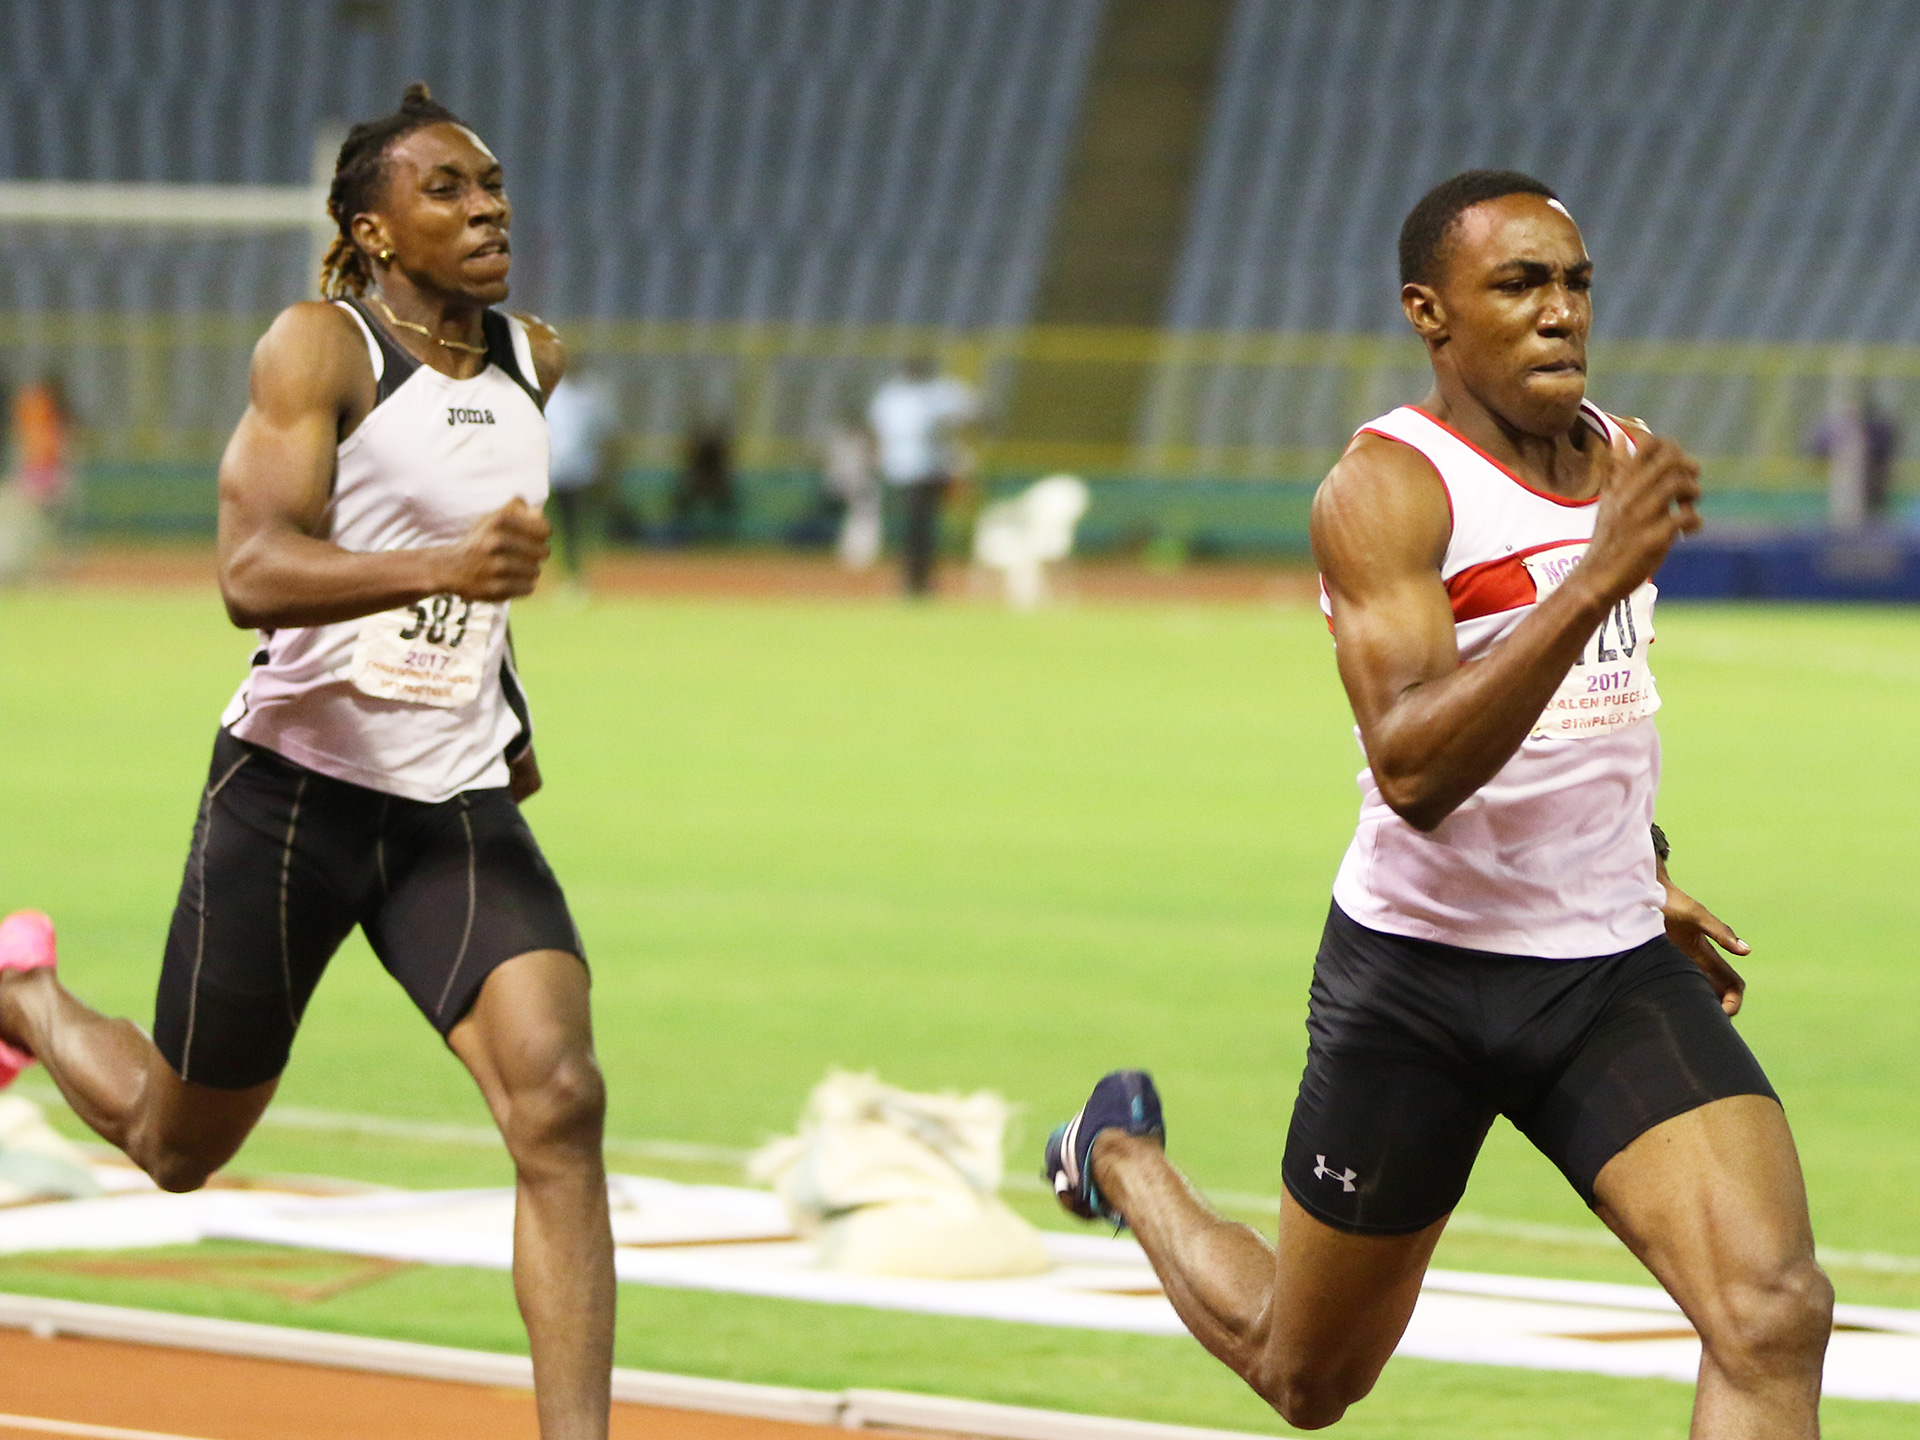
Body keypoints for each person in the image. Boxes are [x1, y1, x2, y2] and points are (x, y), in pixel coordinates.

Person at [1044, 172, 1831, 1435]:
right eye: (1519, 284)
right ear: (1430, 311)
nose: (1560, 311)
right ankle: (1119, 1159)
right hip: (1419, 980)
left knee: (1773, 1313)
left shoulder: (1624, 461)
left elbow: (1604, 711)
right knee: (1309, 1377)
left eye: (1574, 282)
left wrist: (1643, 868)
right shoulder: (1387, 490)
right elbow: (1414, 772)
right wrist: (1591, 578)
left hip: (1605, 972)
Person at [0, 84, 614, 1440]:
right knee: (175, 1145)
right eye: (447, 189)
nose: (489, 207)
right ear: (373, 230)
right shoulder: (318, 349)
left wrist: (503, 707)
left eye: (492, 183)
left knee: (561, 1103)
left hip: (450, 805)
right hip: (291, 802)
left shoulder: (535, 360)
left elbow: (486, 579)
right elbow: (251, 572)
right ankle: (24, 994)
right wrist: (445, 566)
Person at [868, 356, 976, 596]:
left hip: (932, 468)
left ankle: (918, 580)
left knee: (921, 526)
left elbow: (975, 415)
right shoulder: (893, 395)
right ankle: (914, 579)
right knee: (915, 527)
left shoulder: (940, 392)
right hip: (902, 468)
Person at [544, 366, 623, 581]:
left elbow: (605, 433)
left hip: (583, 471)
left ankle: (577, 572)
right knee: (555, 527)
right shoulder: (554, 395)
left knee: (579, 527)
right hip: (555, 470)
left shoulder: (591, 393)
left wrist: (606, 466)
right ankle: (562, 571)